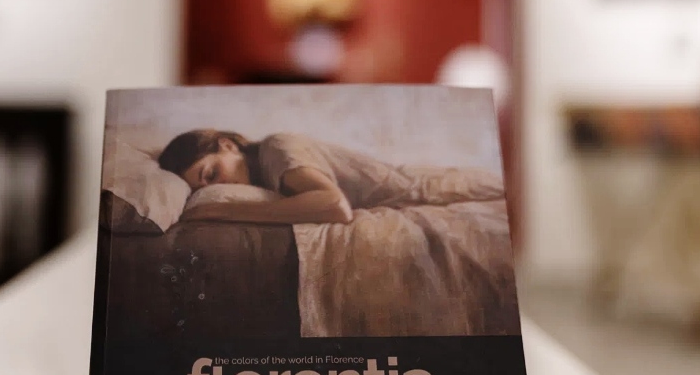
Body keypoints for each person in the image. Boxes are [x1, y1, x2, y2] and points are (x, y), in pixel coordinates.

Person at [157, 128, 503, 226]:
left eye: (211, 173)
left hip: (441, 190)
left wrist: (226, 210)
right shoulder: (263, 177)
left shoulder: (276, 149)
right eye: (203, 189)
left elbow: (334, 205)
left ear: (228, 145)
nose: (216, 188)